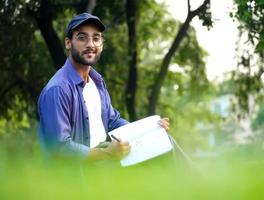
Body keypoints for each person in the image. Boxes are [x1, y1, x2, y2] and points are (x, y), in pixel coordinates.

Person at [38, 13, 170, 162]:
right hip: (80, 172)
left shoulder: (96, 81)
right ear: (68, 43)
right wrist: (107, 153)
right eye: (82, 38)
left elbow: (112, 121)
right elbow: (60, 148)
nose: (90, 44)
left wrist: (150, 129)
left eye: (96, 38)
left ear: (102, 44)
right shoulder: (58, 89)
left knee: (165, 143)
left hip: (104, 159)